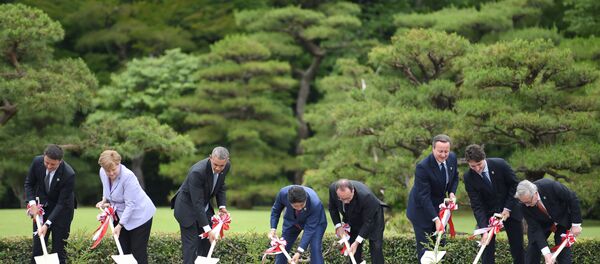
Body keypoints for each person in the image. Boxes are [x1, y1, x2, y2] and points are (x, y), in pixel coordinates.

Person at [463, 144, 524, 264]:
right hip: (488, 215)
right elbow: (476, 204)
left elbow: (515, 185)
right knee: (486, 248)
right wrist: (483, 229)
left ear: (484, 158)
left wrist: (507, 208)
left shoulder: (500, 164)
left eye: (479, 164)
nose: (477, 169)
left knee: (517, 248)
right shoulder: (468, 177)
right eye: (472, 166)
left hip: (510, 211)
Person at [171, 146, 231, 264]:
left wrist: (222, 206)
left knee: (207, 245)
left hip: (204, 207)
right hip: (187, 208)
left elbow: (221, 186)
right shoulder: (197, 172)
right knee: (191, 247)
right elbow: (197, 203)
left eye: (221, 165)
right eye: (215, 165)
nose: (218, 168)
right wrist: (208, 230)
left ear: (227, 161)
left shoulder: (226, 166)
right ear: (210, 158)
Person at [95, 150, 156, 264]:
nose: (111, 173)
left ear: (119, 163)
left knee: (138, 253)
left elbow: (130, 205)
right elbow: (107, 189)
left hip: (140, 215)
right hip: (119, 213)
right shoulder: (102, 172)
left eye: (113, 169)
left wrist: (120, 225)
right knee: (122, 250)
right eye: (108, 171)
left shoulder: (128, 177)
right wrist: (104, 200)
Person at [406, 134, 459, 260]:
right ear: (433, 149)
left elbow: (455, 177)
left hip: (439, 208)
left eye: (446, 151)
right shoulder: (423, 167)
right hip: (421, 211)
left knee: (440, 245)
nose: (443, 155)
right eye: (440, 151)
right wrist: (436, 220)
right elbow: (423, 197)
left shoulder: (452, 158)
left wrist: (451, 192)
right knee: (426, 250)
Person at [24, 144, 76, 264]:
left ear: (60, 161)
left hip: (63, 211)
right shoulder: (37, 162)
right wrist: (32, 204)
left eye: (53, 164)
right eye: (46, 162)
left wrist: (47, 225)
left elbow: (61, 203)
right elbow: (29, 183)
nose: (48, 166)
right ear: (44, 157)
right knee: (37, 250)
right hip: (42, 209)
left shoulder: (69, 174)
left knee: (59, 251)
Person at [515, 179, 582, 264]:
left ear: (535, 193)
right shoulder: (522, 204)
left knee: (563, 251)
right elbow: (535, 227)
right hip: (541, 223)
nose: (527, 205)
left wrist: (576, 224)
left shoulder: (550, 186)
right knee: (533, 248)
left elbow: (572, 198)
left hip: (561, 219)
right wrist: (547, 254)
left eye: (528, 201)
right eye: (524, 202)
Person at [328, 179, 387, 264]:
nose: (345, 202)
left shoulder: (367, 197)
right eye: (341, 199)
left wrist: (357, 242)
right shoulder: (333, 189)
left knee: (376, 246)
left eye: (347, 198)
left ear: (353, 191)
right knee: (353, 248)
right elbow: (332, 208)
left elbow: (368, 223)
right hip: (352, 216)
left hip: (373, 218)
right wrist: (338, 226)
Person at [269, 185, 328, 264]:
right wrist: (273, 228)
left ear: (305, 199)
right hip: (292, 222)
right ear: (289, 202)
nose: (299, 208)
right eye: (295, 206)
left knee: (315, 248)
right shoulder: (283, 194)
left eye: (301, 205)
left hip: (316, 224)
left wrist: (299, 252)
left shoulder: (315, 203)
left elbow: (309, 230)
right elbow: (276, 210)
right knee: (282, 247)